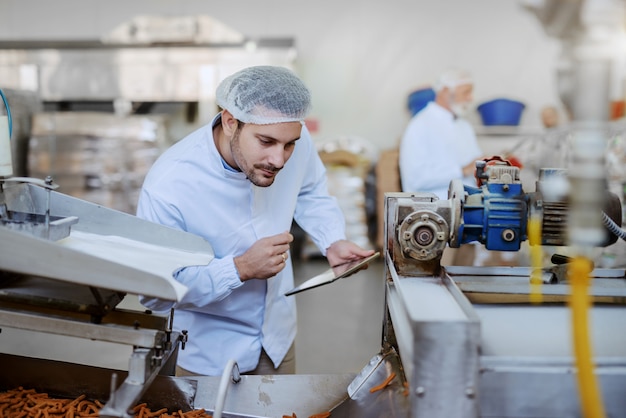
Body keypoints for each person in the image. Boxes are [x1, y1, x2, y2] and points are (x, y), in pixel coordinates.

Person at [136, 66, 374, 377]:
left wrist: (331, 239)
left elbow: (311, 190)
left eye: (289, 145)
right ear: (230, 121)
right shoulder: (171, 183)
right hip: (208, 354)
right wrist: (240, 269)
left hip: (277, 338)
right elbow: (156, 290)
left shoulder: (293, 142)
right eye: (266, 141)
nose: (279, 159)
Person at [399, 68, 483, 200]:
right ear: (445, 91)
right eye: (466, 92)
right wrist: (462, 170)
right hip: (433, 214)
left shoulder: (464, 126)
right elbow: (416, 178)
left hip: (467, 210)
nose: (471, 98)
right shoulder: (420, 125)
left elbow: (475, 165)